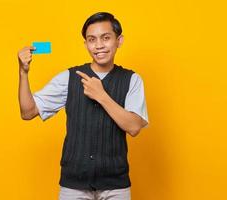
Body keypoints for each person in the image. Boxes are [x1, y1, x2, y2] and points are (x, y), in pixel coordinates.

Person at [18, 12, 149, 200]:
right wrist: (23, 73)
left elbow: (134, 126)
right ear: (86, 44)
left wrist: (101, 95)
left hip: (116, 185)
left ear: (119, 41)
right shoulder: (69, 77)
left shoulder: (132, 80)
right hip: (73, 185)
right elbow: (28, 111)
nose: (99, 45)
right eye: (91, 39)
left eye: (106, 38)